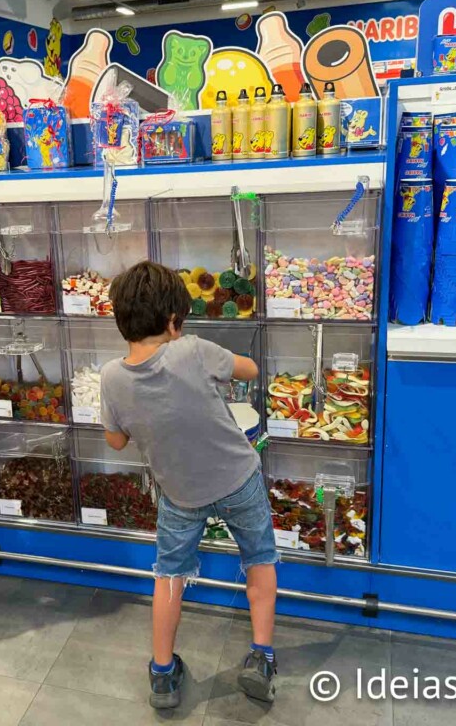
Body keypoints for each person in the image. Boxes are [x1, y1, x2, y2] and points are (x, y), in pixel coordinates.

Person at [100, 261, 279, 709]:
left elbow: (116, 440)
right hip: (238, 478)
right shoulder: (193, 350)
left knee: (169, 576)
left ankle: (162, 673)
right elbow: (250, 369)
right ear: (173, 320)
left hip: (178, 494)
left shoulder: (111, 377)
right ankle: (261, 656)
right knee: (259, 559)